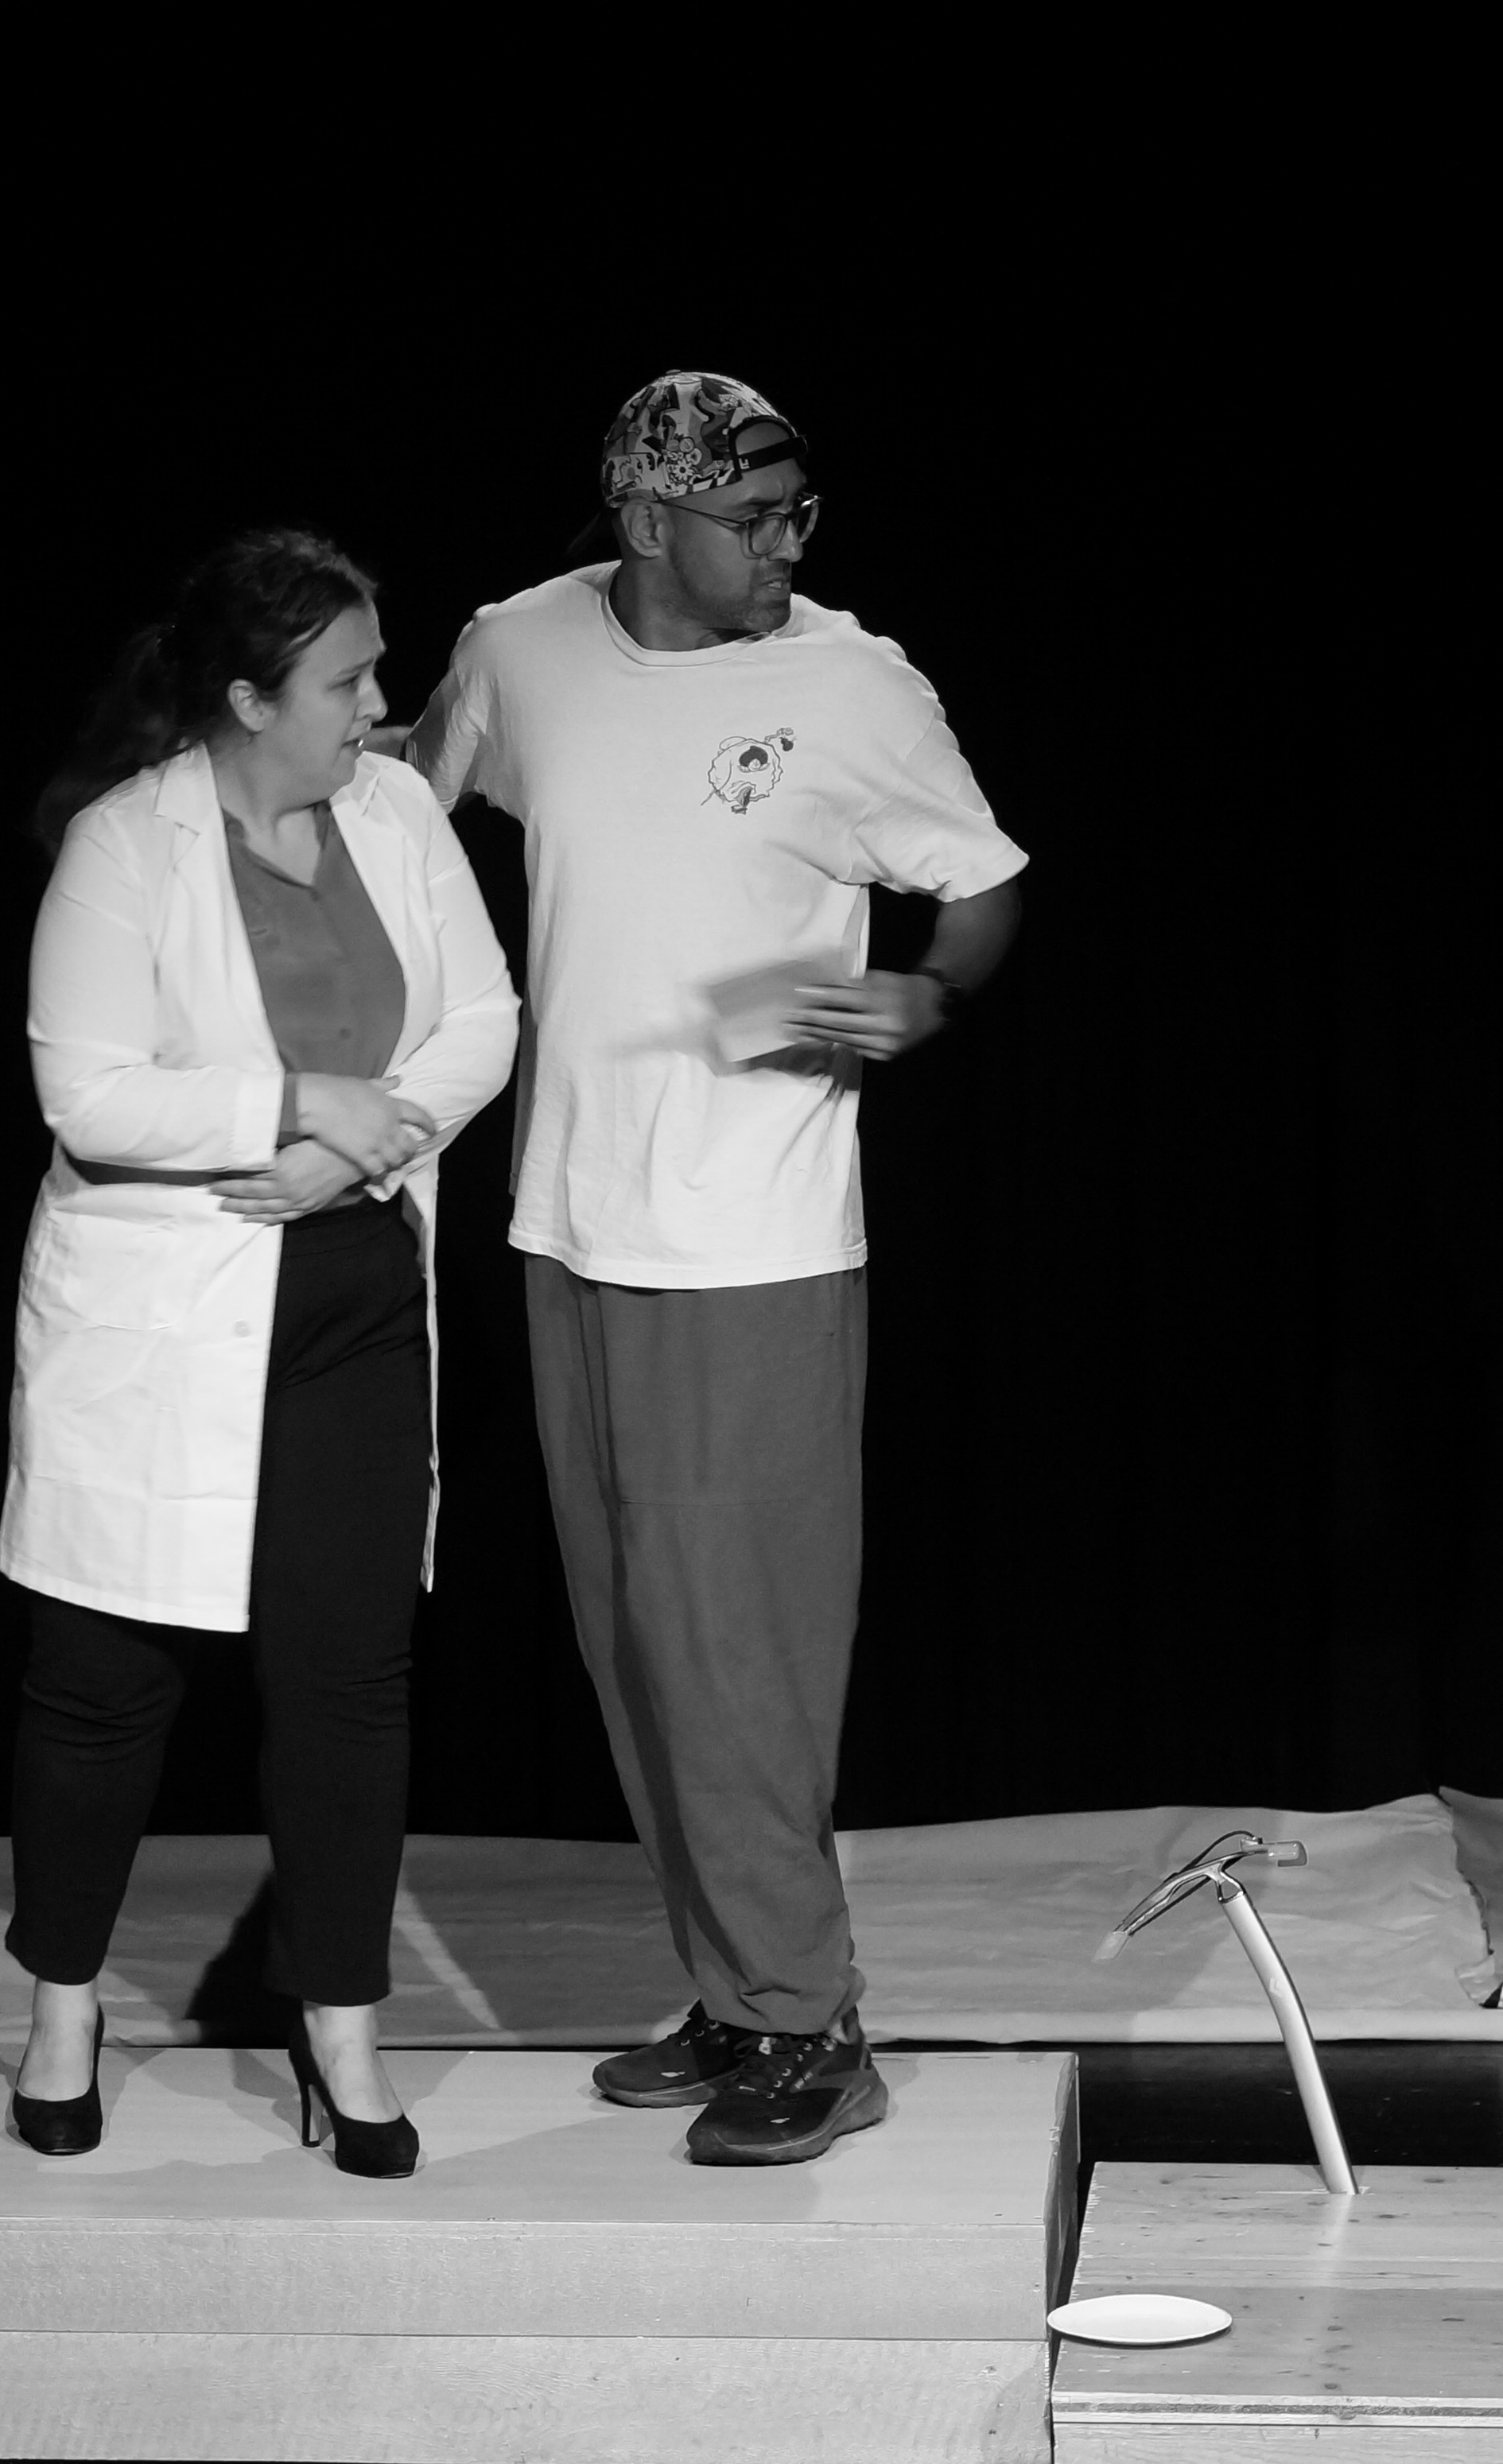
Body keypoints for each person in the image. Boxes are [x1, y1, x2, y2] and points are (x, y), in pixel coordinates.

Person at [406, 371, 1024, 2166]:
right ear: (645, 517)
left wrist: (928, 991)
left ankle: (810, 2022)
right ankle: (739, 1991)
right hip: (569, 1216)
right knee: (633, 1649)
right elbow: (403, 810)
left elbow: (980, 881)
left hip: (750, 1244)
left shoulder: (852, 683)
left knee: (738, 1653)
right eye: (753, 518)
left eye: (797, 514)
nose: (787, 546)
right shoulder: (519, 650)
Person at [0, 529, 518, 2177]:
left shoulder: (398, 812)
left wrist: (354, 1150)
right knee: (105, 1681)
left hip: (353, 1290)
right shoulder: (124, 844)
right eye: (347, 680)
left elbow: (482, 1021)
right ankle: (63, 2005)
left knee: (347, 1681)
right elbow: (87, 1092)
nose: (378, 705)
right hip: (166, 1300)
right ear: (245, 699)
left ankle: (338, 2022)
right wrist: (293, 1107)